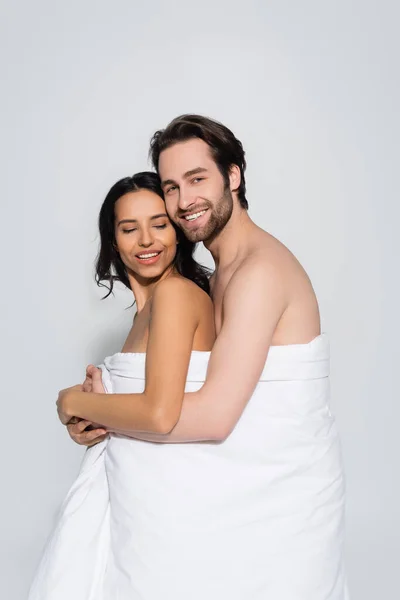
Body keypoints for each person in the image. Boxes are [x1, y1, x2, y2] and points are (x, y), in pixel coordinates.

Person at [45, 116, 347, 599]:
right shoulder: (219, 272)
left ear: (233, 176)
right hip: (229, 511)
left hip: (279, 511)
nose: (184, 200)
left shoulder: (256, 272)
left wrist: (78, 405)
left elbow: (209, 416)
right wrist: (106, 410)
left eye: (197, 178)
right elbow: (186, 386)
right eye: (171, 186)